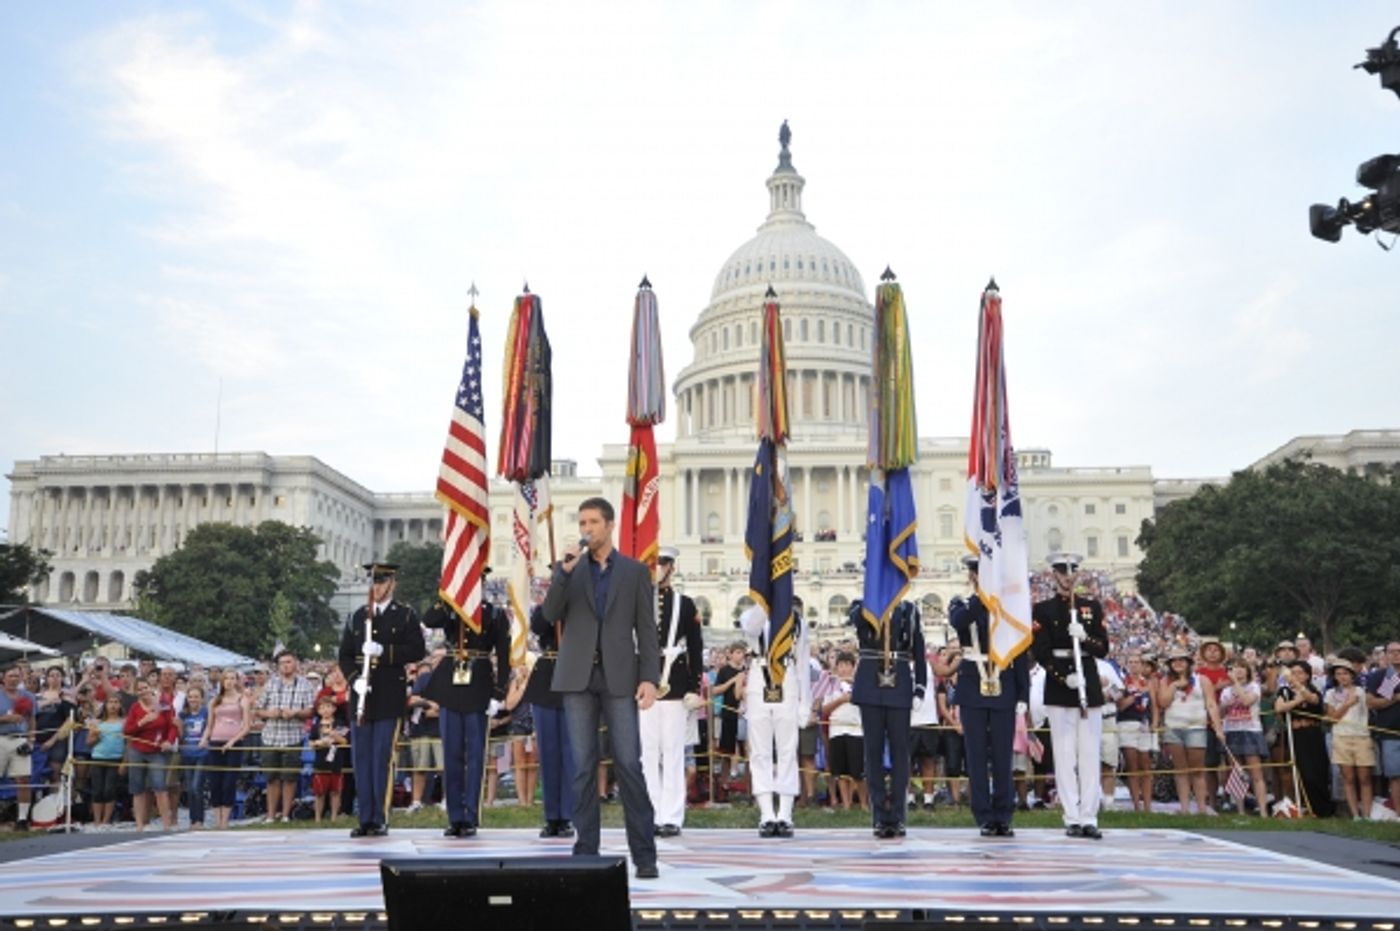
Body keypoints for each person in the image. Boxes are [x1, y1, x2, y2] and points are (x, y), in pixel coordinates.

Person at [540, 496, 660, 879]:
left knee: (628, 763)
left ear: (609, 525)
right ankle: (586, 850)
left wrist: (650, 677)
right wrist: (562, 573)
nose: (586, 529)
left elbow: (647, 630)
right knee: (582, 767)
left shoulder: (634, 572)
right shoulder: (570, 569)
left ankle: (644, 855)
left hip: (620, 676)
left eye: (593, 522)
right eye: (582, 523)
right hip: (577, 676)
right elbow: (548, 614)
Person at [338, 561, 427, 837]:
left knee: (382, 758)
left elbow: (417, 650)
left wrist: (384, 651)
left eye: (381, 582)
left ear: (392, 584)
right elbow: (344, 655)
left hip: (388, 695)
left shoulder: (405, 615)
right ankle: (365, 817)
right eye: (373, 582)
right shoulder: (358, 616)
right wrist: (355, 679)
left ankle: (380, 817)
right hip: (362, 698)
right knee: (362, 758)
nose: (376, 587)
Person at [949, 555, 1030, 838]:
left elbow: (1020, 651)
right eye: (979, 573)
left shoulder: (1008, 607)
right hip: (973, 684)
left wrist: (1023, 692)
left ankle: (1003, 814)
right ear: (973, 576)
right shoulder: (962, 603)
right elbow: (959, 622)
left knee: (1002, 755)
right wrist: (982, 598)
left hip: (1003, 682)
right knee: (976, 756)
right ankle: (983, 815)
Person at [1031, 553, 1109, 839]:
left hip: (1087, 678)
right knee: (1064, 755)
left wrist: (1085, 638)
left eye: (1071, 571)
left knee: (1089, 753)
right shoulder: (1043, 609)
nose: (1067, 576)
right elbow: (1040, 651)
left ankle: (1089, 816)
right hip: (1060, 683)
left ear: (1077, 575)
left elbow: (1103, 648)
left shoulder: (1091, 607)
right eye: (1062, 572)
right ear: (1054, 575)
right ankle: (1072, 816)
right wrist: (1064, 677)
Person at [421, 595, 510, 837]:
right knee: (451, 754)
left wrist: (498, 693)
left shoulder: (493, 613)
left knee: (475, 755)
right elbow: (429, 620)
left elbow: (504, 654)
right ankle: (455, 816)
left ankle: (470, 815)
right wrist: (446, 599)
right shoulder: (453, 603)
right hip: (451, 682)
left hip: (478, 682)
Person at [640, 545, 704, 838]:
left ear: (672, 567)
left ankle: (672, 816)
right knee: (648, 752)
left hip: (675, 684)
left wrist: (693, 686)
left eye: (664, 562)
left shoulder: (686, 605)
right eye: (655, 562)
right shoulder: (639, 601)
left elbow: (695, 648)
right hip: (645, 683)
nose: (659, 568)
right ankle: (652, 812)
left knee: (673, 753)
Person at [852, 597, 927, 838]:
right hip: (870, 682)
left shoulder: (909, 610)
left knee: (900, 753)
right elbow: (858, 623)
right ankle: (879, 815)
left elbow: (918, 649)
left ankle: (897, 815)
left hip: (899, 681)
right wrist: (875, 599)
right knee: (872, 752)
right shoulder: (863, 605)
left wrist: (920, 686)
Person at [740, 594, 812, 839]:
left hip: (786, 676)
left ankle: (785, 813)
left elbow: (802, 664)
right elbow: (752, 627)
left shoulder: (798, 622)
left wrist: (805, 704)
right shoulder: (751, 615)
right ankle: (766, 813)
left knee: (787, 750)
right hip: (759, 676)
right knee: (760, 751)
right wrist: (765, 599)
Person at [527, 604, 575, 838]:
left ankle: (566, 816)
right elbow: (537, 626)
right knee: (548, 753)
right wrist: (554, 602)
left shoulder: (582, 604)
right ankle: (551, 816)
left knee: (570, 754)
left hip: (574, 675)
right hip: (546, 678)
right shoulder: (545, 607)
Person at [254, 650, 314, 824]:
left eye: (288, 662)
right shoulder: (270, 684)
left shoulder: (305, 685)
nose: (285, 666)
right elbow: (258, 709)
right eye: (282, 663)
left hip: (293, 736)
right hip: (271, 737)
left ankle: (286, 814)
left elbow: (310, 711)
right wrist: (270, 713)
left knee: (290, 778)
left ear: (295, 663)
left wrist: (295, 712)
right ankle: (271, 815)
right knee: (271, 777)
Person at [1274, 660, 1333, 817]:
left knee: (1317, 771)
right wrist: (1297, 701)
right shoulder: (1285, 691)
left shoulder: (1314, 689)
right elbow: (1279, 707)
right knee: (1303, 772)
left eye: (1299, 673)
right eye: (1292, 673)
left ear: (1307, 675)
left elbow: (1313, 699)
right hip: (1295, 734)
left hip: (1312, 733)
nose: (1295, 676)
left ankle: (1323, 808)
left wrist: (1298, 688)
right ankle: (1307, 806)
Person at [122, 681, 179, 831]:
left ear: (151, 688)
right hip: (137, 750)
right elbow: (127, 731)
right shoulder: (135, 708)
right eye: (139, 689)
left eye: (145, 688)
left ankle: (166, 825)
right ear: (136, 692)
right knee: (137, 788)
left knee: (160, 787)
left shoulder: (164, 705)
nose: (143, 691)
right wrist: (142, 722)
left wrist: (169, 741)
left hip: (157, 751)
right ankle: (139, 825)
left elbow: (172, 726)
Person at [200, 668, 251, 829]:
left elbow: (246, 726)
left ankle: (225, 820)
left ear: (236, 681)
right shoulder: (214, 701)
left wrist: (232, 741)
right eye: (226, 678)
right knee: (215, 781)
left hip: (234, 744)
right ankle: (217, 819)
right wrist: (204, 739)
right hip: (216, 741)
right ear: (222, 681)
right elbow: (209, 725)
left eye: (232, 678)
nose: (229, 681)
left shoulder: (242, 699)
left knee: (229, 782)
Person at [1217, 658, 1268, 817]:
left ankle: (1263, 811)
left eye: (1241, 667)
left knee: (1256, 773)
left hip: (1250, 730)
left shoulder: (1254, 686)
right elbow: (1220, 713)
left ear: (1247, 671)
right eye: (1234, 668)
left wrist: (1236, 684)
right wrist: (1225, 705)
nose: (1238, 670)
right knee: (1237, 773)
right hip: (1231, 731)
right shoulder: (1226, 691)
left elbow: (1246, 701)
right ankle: (1240, 810)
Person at [1324, 658, 1374, 820]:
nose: (1342, 677)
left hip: (1362, 737)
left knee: (1365, 778)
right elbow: (1332, 718)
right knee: (1348, 777)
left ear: (1352, 675)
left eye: (1345, 673)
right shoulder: (1331, 693)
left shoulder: (1361, 691)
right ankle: (1355, 815)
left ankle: (1367, 814)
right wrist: (1347, 704)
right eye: (1338, 674)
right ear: (1334, 677)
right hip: (1341, 737)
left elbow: (1373, 703)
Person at [822, 650, 864, 811]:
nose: (844, 669)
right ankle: (846, 804)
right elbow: (825, 709)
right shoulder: (831, 685)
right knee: (840, 771)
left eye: (847, 665)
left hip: (856, 730)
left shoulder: (860, 684)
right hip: (836, 730)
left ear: (853, 667)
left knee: (858, 772)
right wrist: (840, 700)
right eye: (841, 665)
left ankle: (863, 803)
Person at [1365, 641, 1400, 816]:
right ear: (1386, 654)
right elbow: (1371, 702)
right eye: (1391, 651)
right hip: (1390, 733)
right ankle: (1399, 813)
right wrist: (1394, 698)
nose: (1396, 654)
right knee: (1395, 775)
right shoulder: (1381, 676)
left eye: (1399, 651)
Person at [1, 664, 38, 830]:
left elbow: (32, 719)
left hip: (20, 739)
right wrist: (5, 719)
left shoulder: (29, 696)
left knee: (23, 779)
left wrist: (31, 740)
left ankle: (22, 819)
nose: (14, 679)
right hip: (1, 738)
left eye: (17, 676)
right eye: (11, 676)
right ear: (3, 678)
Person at [86, 694, 127, 829]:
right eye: (110, 702)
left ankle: (106, 820)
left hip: (115, 759)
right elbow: (89, 742)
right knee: (97, 790)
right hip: (98, 757)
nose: (113, 705)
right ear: (105, 705)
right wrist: (96, 737)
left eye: (116, 702)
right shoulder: (97, 723)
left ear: (120, 705)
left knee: (109, 790)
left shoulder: (124, 722)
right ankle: (97, 820)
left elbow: (128, 744)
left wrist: (124, 762)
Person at [309, 696, 349, 822]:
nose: (325, 710)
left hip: (336, 761)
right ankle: (317, 818)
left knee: (336, 791)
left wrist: (335, 736)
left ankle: (334, 817)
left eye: (328, 707)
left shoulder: (339, 724)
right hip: (320, 762)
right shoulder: (316, 725)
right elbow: (311, 742)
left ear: (334, 709)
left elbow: (345, 741)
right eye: (322, 708)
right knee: (319, 792)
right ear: (318, 710)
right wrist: (319, 742)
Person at [177, 685, 209, 829]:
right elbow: (181, 735)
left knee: (197, 787)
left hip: (201, 754)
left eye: (196, 697)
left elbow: (209, 729)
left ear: (202, 699)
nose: (193, 699)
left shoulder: (206, 712)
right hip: (187, 753)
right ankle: (193, 820)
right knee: (190, 788)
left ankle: (199, 820)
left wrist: (205, 740)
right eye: (190, 697)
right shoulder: (183, 714)